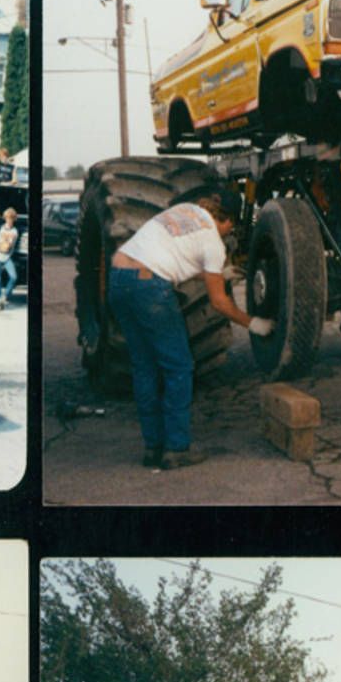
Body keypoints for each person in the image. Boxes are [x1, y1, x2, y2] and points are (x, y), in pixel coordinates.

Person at [107, 184, 259, 470]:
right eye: (231, 228)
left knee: (144, 367)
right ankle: (176, 448)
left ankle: (153, 447)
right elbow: (219, 303)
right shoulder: (214, 241)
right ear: (226, 221)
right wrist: (253, 323)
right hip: (150, 287)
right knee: (178, 367)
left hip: (119, 278)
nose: (229, 233)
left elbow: (173, 256)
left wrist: (216, 274)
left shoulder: (183, 211)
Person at [0, 207, 22, 310]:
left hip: (8, 257)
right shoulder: (0, 228)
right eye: (8, 217)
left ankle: (5, 295)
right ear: (5, 218)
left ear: (14, 218)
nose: (9, 220)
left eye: (11, 218)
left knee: (13, 277)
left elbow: (16, 244)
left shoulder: (16, 231)